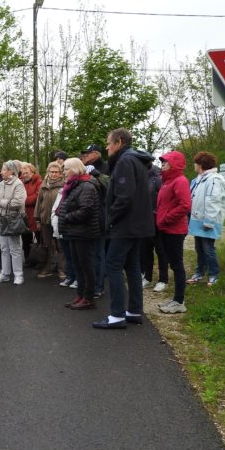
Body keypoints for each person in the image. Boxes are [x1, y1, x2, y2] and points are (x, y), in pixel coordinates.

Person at [92, 128, 155, 330]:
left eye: (109, 143)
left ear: (119, 141)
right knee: (132, 266)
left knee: (113, 265)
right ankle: (134, 311)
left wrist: (110, 219)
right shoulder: (135, 160)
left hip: (126, 225)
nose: (107, 147)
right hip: (138, 224)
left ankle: (117, 315)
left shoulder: (126, 161)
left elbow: (124, 197)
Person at [58, 158, 101, 310]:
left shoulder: (86, 186)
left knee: (86, 266)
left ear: (75, 170)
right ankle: (80, 294)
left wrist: (66, 217)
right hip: (74, 232)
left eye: (66, 169)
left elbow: (86, 210)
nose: (63, 173)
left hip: (84, 232)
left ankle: (88, 298)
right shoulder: (74, 185)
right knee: (78, 265)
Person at [155, 151, 192, 314]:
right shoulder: (166, 182)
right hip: (165, 228)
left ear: (174, 163)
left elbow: (185, 206)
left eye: (165, 162)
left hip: (174, 230)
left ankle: (179, 301)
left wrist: (166, 219)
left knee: (177, 265)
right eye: (162, 162)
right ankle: (176, 299)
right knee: (173, 264)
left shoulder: (180, 181)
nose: (162, 165)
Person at [187, 151, 225, 286]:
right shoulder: (199, 179)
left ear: (201, 165)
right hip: (198, 220)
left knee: (208, 249)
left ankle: (214, 274)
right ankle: (199, 273)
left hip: (208, 221)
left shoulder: (214, 179)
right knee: (199, 248)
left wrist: (209, 222)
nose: (194, 165)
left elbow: (213, 200)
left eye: (196, 163)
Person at [0, 160, 27, 285]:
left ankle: (19, 275)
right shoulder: (1, 183)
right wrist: (1, 202)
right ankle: (6, 273)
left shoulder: (18, 184)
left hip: (13, 220)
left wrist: (0, 202)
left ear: (11, 171)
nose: (1, 172)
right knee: (4, 248)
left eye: (3, 169)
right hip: (1, 219)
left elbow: (18, 202)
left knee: (15, 248)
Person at [140, 162, 169, 292]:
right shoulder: (140, 175)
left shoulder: (158, 177)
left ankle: (163, 280)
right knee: (145, 250)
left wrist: (157, 215)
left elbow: (163, 200)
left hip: (157, 221)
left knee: (161, 250)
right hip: (144, 220)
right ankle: (148, 277)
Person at [35, 161, 65, 278]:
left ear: (60, 173)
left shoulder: (64, 185)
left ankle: (62, 269)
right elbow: (39, 203)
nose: (53, 174)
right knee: (47, 245)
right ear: (48, 172)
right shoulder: (44, 185)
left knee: (60, 245)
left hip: (59, 221)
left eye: (56, 172)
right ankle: (47, 268)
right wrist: (37, 219)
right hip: (45, 220)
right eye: (51, 172)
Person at [20, 162, 43, 265]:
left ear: (33, 172)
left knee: (40, 239)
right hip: (24, 215)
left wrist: (23, 200)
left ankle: (41, 260)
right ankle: (28, 259)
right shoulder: (20, 182)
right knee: (26, 239)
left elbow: (37, 198)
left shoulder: (39, 181)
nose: (24, 174)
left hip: (36, 214)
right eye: (23, 172)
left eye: (27, 172)